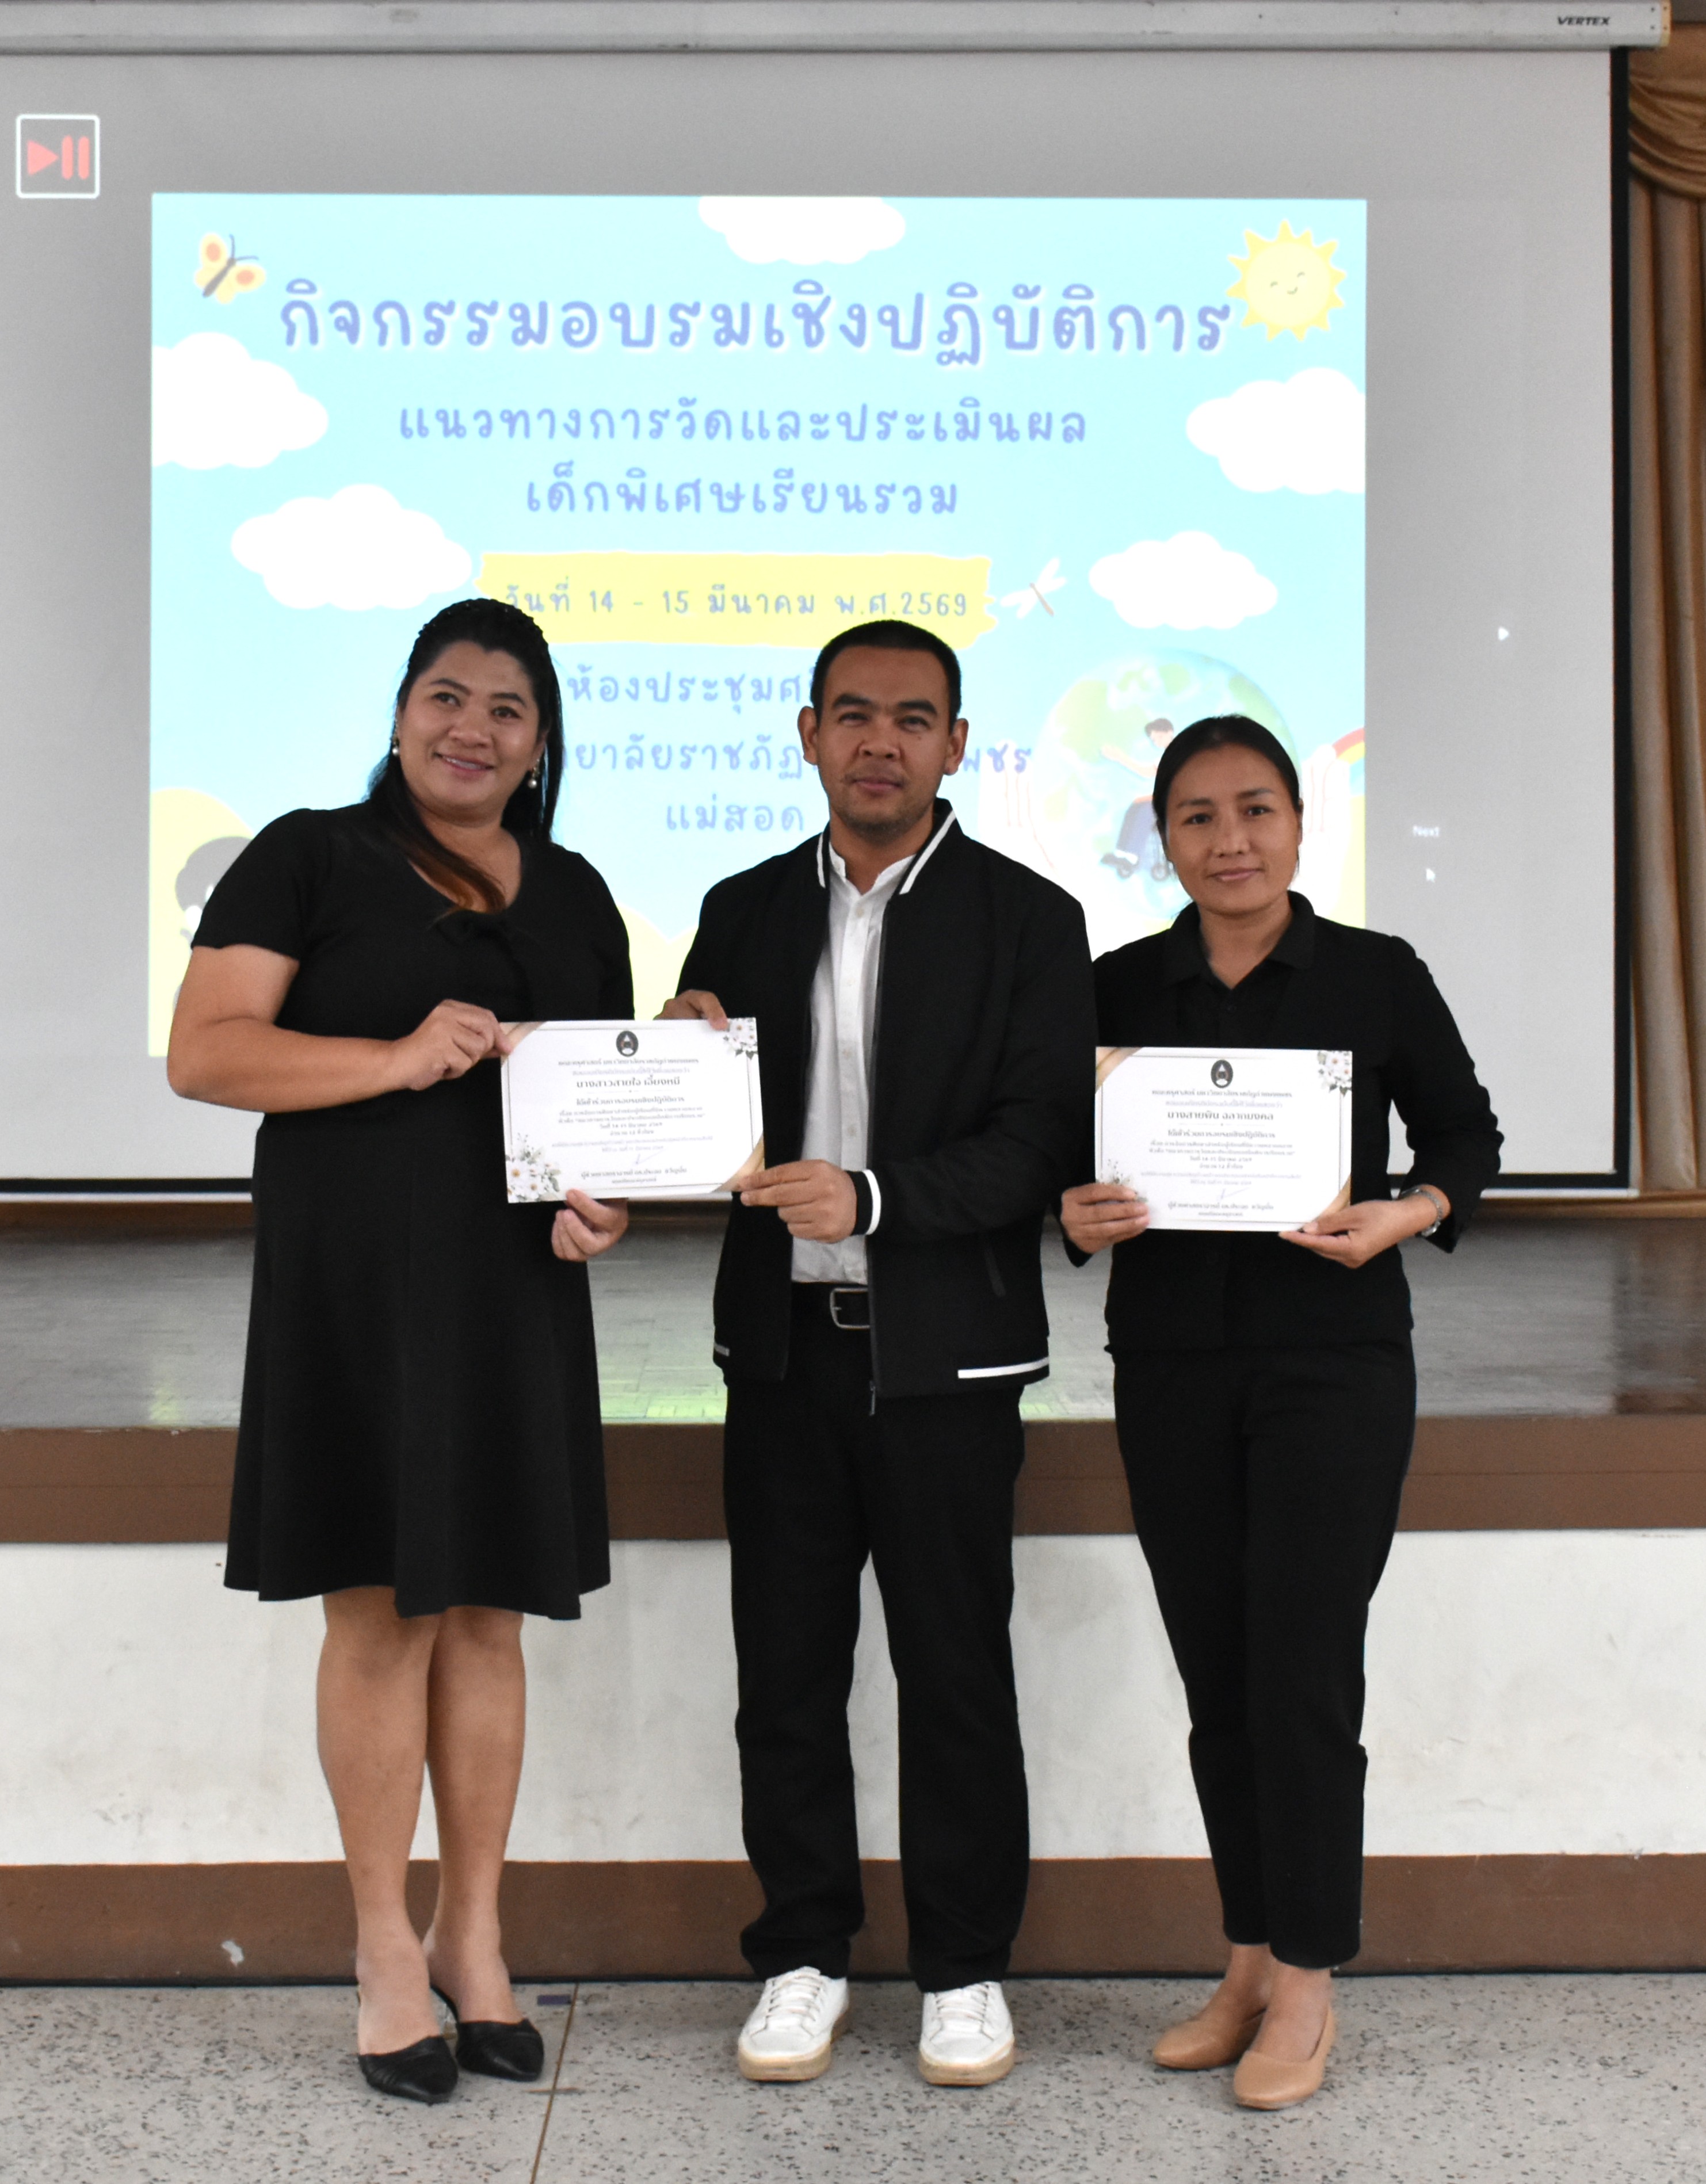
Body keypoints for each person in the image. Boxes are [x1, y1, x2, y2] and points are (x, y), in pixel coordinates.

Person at [165, 598, 633, 2106]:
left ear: (541, 744)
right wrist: (393, 1056)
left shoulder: (577, 894)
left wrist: (601, 1205)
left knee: (489, 1617)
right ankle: (381, 1945)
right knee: (378, 1616)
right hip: (355, 1292)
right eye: (445, 694)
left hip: (512, 1293)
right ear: (398, 711)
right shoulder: (309, 855)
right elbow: (205, 1051)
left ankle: (471, 1935)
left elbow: (594, 1116)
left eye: (507, 707)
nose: (470, 727)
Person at [661, 620, 1093, 2090]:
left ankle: (963, 1968)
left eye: (914, 717)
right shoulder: (739, 907)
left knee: (955, 1671)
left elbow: (1039, 1139)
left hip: (946, 1363)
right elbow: (706, 1119)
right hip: (782, 1352)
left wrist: (877, 1197)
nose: (880, 741)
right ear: (807, 733)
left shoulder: (1030, 918)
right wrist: (672, 1063)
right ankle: (802, 1953)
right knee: (786, 1672)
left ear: (958, 744)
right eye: (852, 714)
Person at [1059, 715, 1501, 2113]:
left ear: (1301, 824)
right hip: (1172, 1365)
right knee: (1218, 1674)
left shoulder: (1377, 973)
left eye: (1256, 809)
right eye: (1197, 815)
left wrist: (1405, 1213)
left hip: (1334, 1367)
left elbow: (1467, 1136)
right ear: (1163, 839)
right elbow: (1058, 1161)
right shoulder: (1117, 988)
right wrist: (1074, 1213)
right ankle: (1247, 1955)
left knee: (1302, 1674)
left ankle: (1309, 1975)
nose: (1230, 839)